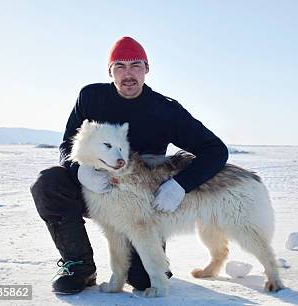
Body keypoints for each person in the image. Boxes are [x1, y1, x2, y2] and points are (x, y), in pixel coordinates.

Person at [30, 36, 228, 294]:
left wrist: (180, 185)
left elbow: (216, 150)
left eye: (136, 65)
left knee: (144, 281)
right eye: (120, 66)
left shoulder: (165, 110)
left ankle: (150, 264)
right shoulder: (91, 97)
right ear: (110, 71)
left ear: (147, 69)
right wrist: (80, 171)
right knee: (48, 182)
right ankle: (79, 266)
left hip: (139, 204)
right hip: (95, 192)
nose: (128, 73)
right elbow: (67, 146)